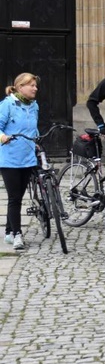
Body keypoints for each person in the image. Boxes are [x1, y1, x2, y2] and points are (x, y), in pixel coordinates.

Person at [0, 73, 40, 251]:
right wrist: (2, 137)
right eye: (31, 85)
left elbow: (34, 127)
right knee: (14, 198)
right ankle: (17, 234)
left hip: (28, 157)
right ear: (20, 87)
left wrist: (37, 141)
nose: (35, 88)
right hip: (10, 159)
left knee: (18, 196)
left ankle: (8, 231)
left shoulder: (34, 106)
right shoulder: (7, 104)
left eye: (35, 85)